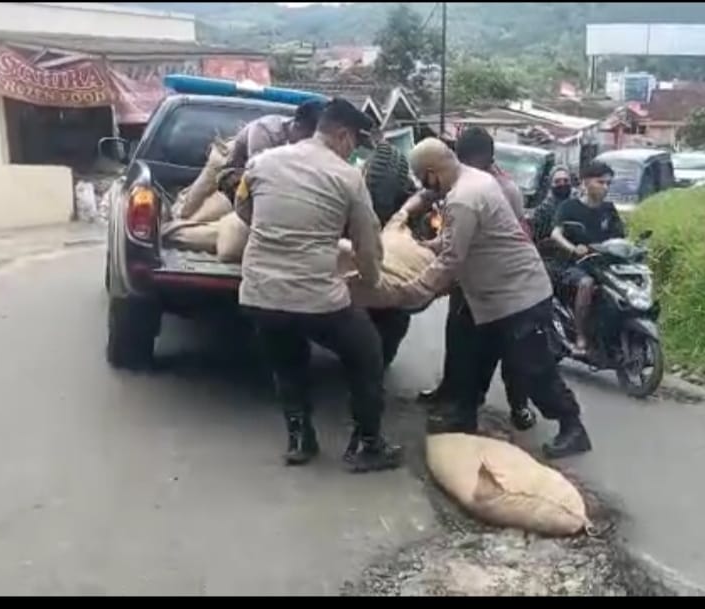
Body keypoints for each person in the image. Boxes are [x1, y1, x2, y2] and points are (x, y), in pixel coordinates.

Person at [387, 138, 592, 459]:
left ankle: (573, 427)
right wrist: (428, 246)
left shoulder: (464, 197)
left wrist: (412, 291)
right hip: (487, 296)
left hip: (518, 295)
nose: (425, 188)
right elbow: (463, 238)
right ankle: (463, 417)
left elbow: (452, 260)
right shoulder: (475, 179)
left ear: (432, 172)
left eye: (423, 179)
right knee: (470, 358)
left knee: (533, 367)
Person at [240, 98, 404, 473]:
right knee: (367, 353)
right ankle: (368, 444)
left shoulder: (262, 162)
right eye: (353, 143)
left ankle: (300, 439)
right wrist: (373, 282)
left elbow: (243, 210)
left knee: (286, 360)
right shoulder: (348, 177)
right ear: (342, 135)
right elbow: (368, 243)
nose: (352, 151)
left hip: (259, 293)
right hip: (316, 297)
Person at [415, 127, 536, 432]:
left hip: (500, 284)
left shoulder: (500, 188)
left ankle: (516, 405)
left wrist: (418, 288)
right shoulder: (465, 184)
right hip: (471, 278)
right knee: (460, 341)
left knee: (505, 351)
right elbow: (452, 235)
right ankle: (455, 396)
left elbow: (479, 244)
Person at [550, 160, 626, 356]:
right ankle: (581, 337)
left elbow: (621, 237)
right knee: (586, 284)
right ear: (585, 183)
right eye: (601, 182)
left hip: (603, 264)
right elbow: (556, 234)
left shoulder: (609, 209)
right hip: (575, 265)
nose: (605, 187)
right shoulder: (569, 207)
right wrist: (574, 248)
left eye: (608, 183)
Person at [225, 100, 325, 170]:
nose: (312, 143)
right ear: (297, 126)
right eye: (309, 137)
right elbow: (256, 169)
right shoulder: (265, 130)